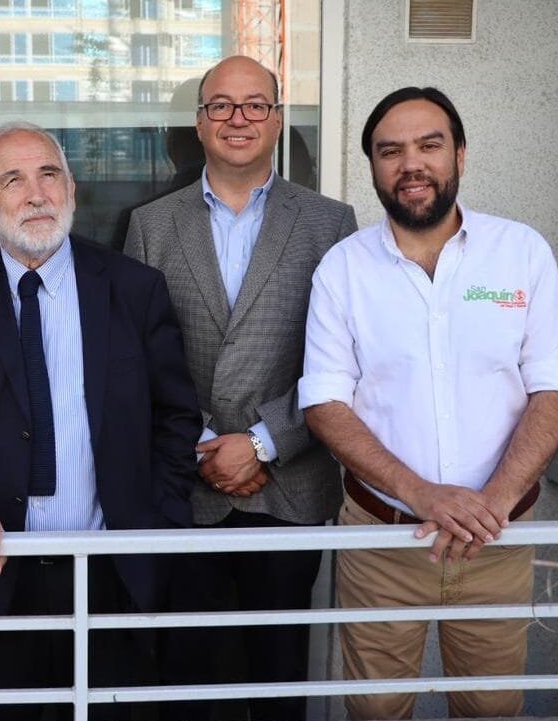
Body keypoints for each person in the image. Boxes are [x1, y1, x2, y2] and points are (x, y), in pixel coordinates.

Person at [299, 86, 558, 719]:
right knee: (375, 710)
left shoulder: (521, 253)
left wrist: (494, 503)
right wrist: (422, 494)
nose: (411, 164)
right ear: (373, 166)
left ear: (460, 154)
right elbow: (324, 402)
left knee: (490, 706)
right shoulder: (342, 269)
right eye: (390, 151)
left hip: (497, 540)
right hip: (382, 539)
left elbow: (556, 386)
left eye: (429, 145)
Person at [0, 121, 199, 721]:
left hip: (113, 576)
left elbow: (175, 417)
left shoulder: (134, 288)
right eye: (12, 180)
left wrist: (154, 520)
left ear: (72, 190)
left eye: (49, 174)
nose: (37, 194)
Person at [123, 55, 358, 720]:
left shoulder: (329, 223)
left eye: (256, 104)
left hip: (290, 485)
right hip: (185, 487)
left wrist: (260, 443)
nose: (238, 118)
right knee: (184, 680)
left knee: (278, 679)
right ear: (199, 124)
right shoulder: (151, 224)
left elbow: (344, 359)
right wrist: (201, 443)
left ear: (278, 121)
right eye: (220, 105)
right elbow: (133, 358)